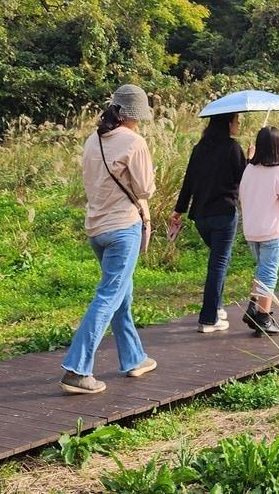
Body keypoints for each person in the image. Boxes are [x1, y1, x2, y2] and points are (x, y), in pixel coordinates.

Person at [62, 84, 158, 395]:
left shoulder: (93, 140)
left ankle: (134, 358)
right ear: (135, 115)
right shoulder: (134, 141)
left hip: (96, 229)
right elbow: (144, 190)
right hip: (122, 230)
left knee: (121, 295)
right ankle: (78, 370)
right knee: (108, 297)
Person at [169, 112, 245, 333]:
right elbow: (244, 178)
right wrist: (250, 160)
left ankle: (218, 308)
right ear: (228, 123)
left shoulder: (199, 148)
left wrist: (179, 209)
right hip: (224, 214)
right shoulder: (232, 148)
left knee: (220, 260)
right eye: (236, 120)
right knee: (218, 264)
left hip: (201, 216)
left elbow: (188, 182)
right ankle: (208, 318)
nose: (238, 124)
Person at [238, 126, 279, 336]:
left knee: (262, 271)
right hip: (271, 231)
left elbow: (242, 196)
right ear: (278, 146)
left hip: (251, 231)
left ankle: (254, 306)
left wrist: (249, 159)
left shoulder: (249, 169)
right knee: (268, 274)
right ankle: (263, 316)